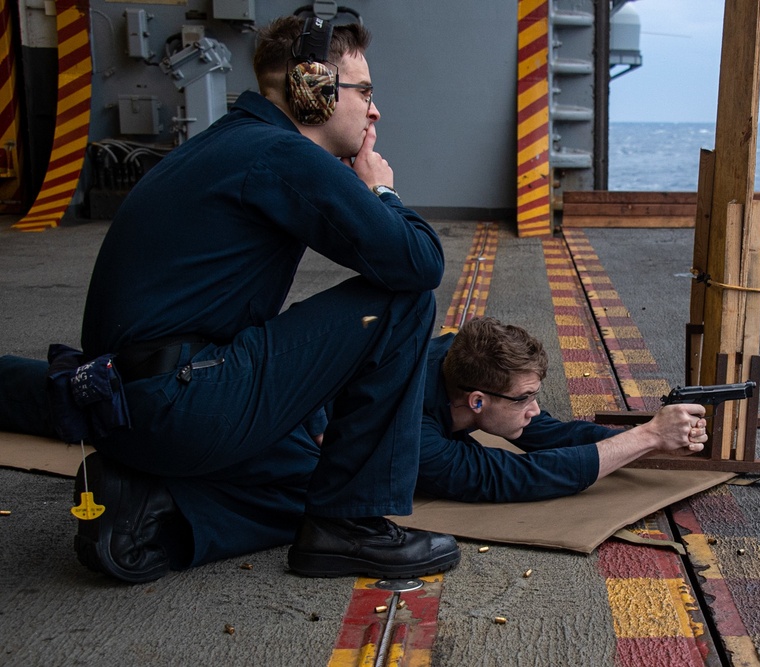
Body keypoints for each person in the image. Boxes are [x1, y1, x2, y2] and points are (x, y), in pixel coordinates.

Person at [2, 15, 462, 584]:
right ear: (312, 88)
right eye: (363, 92)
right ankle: (350, 530)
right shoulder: (280, 153)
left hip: (136, 407)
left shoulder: (229, 142)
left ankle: (154, 511)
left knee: (318, 474)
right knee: (402, 304)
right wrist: (380, 190)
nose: (374, 110)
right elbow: (419, 263)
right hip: (179, 404)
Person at [417, 317, 709, 502]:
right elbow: (515, 477)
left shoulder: (461, 361)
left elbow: (554, 434)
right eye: (523, 398)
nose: (534, 410)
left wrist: (657, 443)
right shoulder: (413, 430)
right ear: (477, 401)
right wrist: (649, 437)